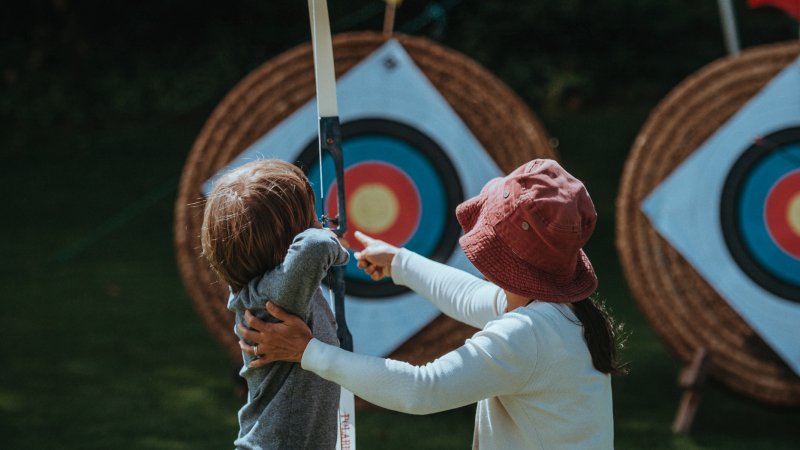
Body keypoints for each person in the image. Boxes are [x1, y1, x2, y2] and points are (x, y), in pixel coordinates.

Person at [239, 158, 626, 449]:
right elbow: (472, 297)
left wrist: (307, 351)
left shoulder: (527, 334)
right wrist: (401, 263)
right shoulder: (559, 312)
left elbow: (422, 390)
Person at [201, 159, 349, 450]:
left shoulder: (271, 288)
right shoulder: (276, 299)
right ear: (290, 237)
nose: (319, 222)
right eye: (311, 215)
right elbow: (315, 247)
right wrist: (334, 244)